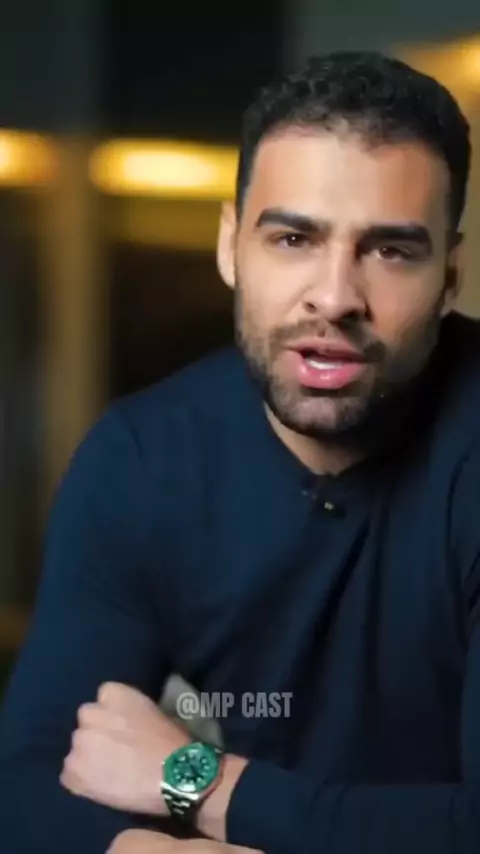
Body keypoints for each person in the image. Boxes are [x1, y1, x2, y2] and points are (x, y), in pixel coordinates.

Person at [0, 48, 479, 854]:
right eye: (293, 238)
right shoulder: (144, 458)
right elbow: (26, 788)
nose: (335, 297)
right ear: (230, 246)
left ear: (450, 277)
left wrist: (198, 781)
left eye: (391, 251)